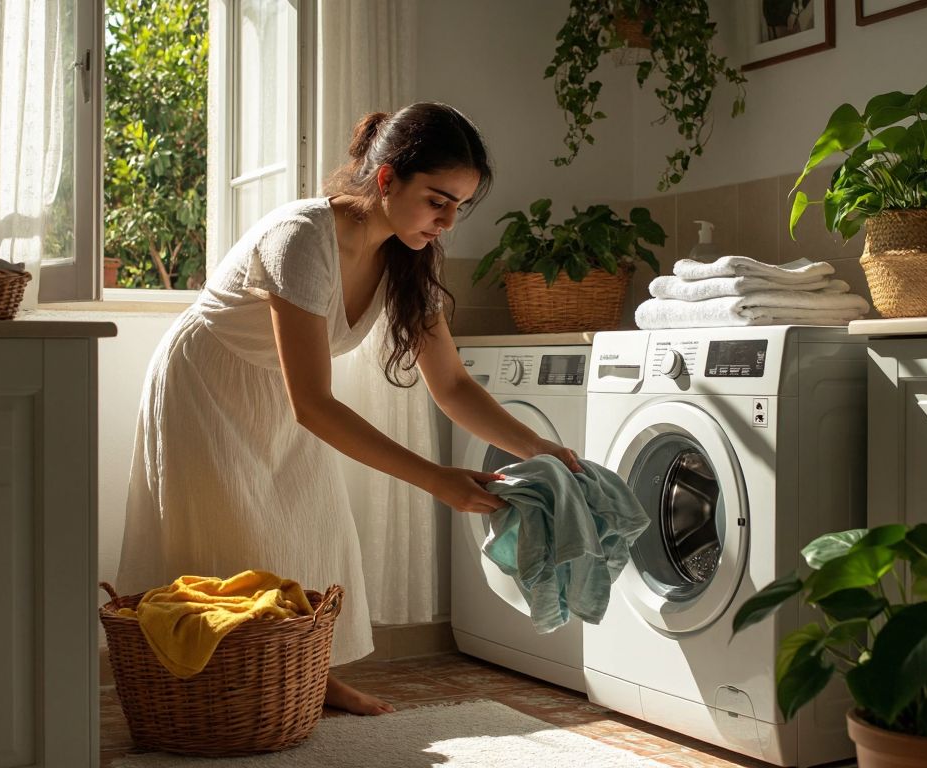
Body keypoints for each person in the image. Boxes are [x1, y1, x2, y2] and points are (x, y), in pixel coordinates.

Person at [116, 102, 582, 716]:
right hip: (209, 381)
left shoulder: (407, 257)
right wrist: (438, 482)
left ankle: (310, 676)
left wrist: (542, 449)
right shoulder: (302, 236)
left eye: (459, 207)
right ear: (386, 178)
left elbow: (453, 385)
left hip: (283, 391)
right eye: (437, 200)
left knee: (313, 529)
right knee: (227, 541)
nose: (446, 220)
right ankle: (206, 696)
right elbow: (313, 404)